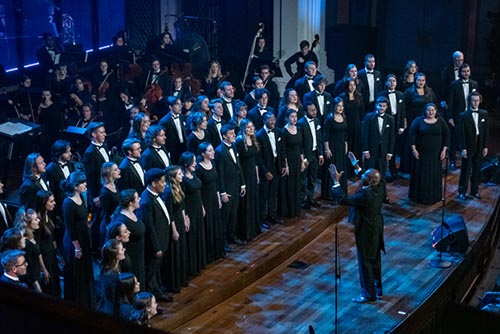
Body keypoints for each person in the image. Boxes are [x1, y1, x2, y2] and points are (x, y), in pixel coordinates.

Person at [330, 164, 385, 304]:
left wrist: (336, 181)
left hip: (367, 231)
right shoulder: (380, 188)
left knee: (365, 261)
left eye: (364, 176)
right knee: (375, 259)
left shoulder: (365, 195)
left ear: (370, 181)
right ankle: (377, 289)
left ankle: (368, 294)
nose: (361, 176)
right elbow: (372, 178)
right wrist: (356, 166)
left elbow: (343, 199)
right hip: (376, 227)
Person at [61, 171, 96, 310]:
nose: (85, 184)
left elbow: (84, 216)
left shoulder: (81, 197)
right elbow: (69, 227)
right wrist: (77, 248)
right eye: (82, 182)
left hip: (83, 238)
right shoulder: (68, 203)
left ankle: (87, 302)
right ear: (75, 186)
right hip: (74, 242)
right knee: (77, 273)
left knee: (85, 271)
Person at [137, 168, 173, 303]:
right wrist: (156, 247)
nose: (165, 184)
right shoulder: (147, 201)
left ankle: (158, 292)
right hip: (155, 243)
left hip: (162, 238)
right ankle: (152, 299)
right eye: (162, 182)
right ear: (154, 183)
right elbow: (150, 227)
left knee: (156, 270)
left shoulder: (155, 195)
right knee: (151, 272)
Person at [408, 103, 450, 204]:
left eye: (433, 110)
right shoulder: (418, 121)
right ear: (425, 111)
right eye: (428, 110)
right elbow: (411, 135)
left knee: (434, 174)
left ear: (436, 111)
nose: (430, 112)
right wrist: (414, 150)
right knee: (421, 174)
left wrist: (444, 150)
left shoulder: (441, 121)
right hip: (421, 153)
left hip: (436, 154)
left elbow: (447, 135)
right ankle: (419, 197)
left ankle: (433, 196)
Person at [215, 125, 247, 252]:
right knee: (225, 217)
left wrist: (242, 184)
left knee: (233, 215)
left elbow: (238, 166)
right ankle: (222, 243)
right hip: (227, 190)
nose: (234, 135)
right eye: (231, 133)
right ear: (224, 136)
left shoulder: (233, 146)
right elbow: (220, 174)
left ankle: (231, 237)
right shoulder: (219, 151)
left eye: (234, 133)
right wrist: (223, 192)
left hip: (235, 186)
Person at [82, 122, 110, 259]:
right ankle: (95, 251)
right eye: (102, 132)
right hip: (98, 194)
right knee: (97, 222)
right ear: (93, 134)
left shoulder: (104, 146)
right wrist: (95, 197)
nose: (105, 134)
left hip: (106, 190)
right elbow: (90, 177)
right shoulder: (89, 153)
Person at [401, 72, 437, 173]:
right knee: (412, 144)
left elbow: (435, 105)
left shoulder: (429, 91)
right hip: (412, 122)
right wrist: (404, 120)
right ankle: (410, 168)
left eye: (423, 80)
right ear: (415, 81)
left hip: (427, 122)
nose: (421, 82)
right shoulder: (409, 92)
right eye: (418, 80)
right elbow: (403, 108)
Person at [361, 96, 395, 204]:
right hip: (371, 151)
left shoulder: (390, 119)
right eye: (380, 105)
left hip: (383, 152)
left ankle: (383, 196)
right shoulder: (369, 117)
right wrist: (365, 150)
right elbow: (364, 134)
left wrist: (390, 152)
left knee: (382, 174)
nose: (381, 107)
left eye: (384, 106)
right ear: (376, 105)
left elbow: (391, 137)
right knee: (368, 174)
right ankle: (366, 196)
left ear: (387, 107)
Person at [110, 189, 146, 289]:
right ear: (130, 203)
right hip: (130, 259)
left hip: (138, 256)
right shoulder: (122, 220)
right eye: (137, 198)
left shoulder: (133, 213)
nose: (140, 199)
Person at [457, 92, 489, 200]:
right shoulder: (463, 115)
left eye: (477, 100)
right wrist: (463, 148)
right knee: (466, 170)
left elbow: (486, 131)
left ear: (480, 101)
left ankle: (474, 191)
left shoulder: (484, 113)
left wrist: (485, 146)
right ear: (469, 101)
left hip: (479, 146)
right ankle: (462, 192)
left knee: (477, 170)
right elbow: (460, 134)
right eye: (473, 100)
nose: (475, 103)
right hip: (468, 146)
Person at [446, 63, 479, 171]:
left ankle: (468, 163)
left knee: (469, 139)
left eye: (468, 71)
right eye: (464, 71)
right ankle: (452, 161)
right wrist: (450, 117)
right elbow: (450, 103)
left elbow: (477, 100)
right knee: (455, 140)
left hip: (470, 115)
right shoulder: (454, 84)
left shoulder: (474, 84)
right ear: (460, 72)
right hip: (458, 116)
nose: (466, 73)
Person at [162, 165, 189, 293]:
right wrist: (174, 230)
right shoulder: (168, 192)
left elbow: (181, 206)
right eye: (179, 174)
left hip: (180, 220)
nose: (182, 175)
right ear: (173, 177)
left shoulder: (179, 187)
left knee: (181, 250)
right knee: (175, 253)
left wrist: (185, 219)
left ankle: (182, 278)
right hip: (173, 224)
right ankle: (173, 283)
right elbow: (170, 213)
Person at [195, 142, 224, 262]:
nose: (213, 152)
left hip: (213, 198)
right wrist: (201, 206)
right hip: (205, 199)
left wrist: (218, 198)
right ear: (203, 154)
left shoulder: (212, 163)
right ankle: (209, 255)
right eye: (210, 151)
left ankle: (217, 251)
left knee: (216, 224)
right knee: (208, 226)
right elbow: (198, 189)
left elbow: (216, 183)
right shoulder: (198, 168)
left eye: (213, 150)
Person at [179, 152, 205, 277]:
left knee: (199, 235)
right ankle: (192, 267)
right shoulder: (182, 179)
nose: (195, 163)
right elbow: (182, 200)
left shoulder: (193, 174)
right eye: (193, 161)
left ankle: (199, 264)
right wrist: (185, 217)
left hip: (198, 208)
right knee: (192, 238)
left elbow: (198, 192)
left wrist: (202, 206)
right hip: (189, 211)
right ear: (186, 163)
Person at [256, 112, 284, 226]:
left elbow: (281, 150)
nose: (273, 121)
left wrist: (283, 165)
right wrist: (266, 171)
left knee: (273, 193)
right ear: (264, 121)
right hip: (266, 169)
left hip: (276, 166)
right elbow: (259, 157)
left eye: (274, 119)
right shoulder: (259, 135)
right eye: (270, 119)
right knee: (264, 195)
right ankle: (263, 219)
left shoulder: (278, 131)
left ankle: (272, 215)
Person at [235, 119, 261, 240]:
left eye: (252, 127)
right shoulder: (240, 141)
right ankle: (245, 232)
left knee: (253, 201)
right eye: (248, 127)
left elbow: (255, 161)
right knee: (246, 203)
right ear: (243, 128)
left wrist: (257, 176)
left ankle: (254, 228)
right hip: (244, 175)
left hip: (252, 174)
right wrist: (241, 182)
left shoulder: (253, 139)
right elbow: (238, 162)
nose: (251, 129)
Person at [377, 75, 406, 180]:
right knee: (385, 147)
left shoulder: (400, 95)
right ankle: (383, 171)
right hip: (385, 123)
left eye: (394, 81)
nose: (392, 83)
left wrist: (402, 125)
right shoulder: (381, 94)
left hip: (396, 123)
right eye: (390, 81)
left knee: (394, 147)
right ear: (386, 83)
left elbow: (402, 112)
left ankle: (393, 170)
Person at [45, 139, 75, 241]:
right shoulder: (50, 169)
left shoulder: (71, 164)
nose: (70, 154)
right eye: (67, 152)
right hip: (61, 207)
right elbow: (52, 191)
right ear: (59, 153)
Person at [297, 102, 324, 209]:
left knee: (313, 177)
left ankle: (310, 199)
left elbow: (319, 138)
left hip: (315, 153)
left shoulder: (317, 121)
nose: (314, 112)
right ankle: (302, 201)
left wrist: (321, 154)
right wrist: (303, 158)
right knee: (303, 179)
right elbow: (300, 143)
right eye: (311, 110)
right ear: (305, 111)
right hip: (306, 155)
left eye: (315, 109)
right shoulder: (301, 123)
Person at [35, 190, 61, 297]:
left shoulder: (48, 214)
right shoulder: (37, 221)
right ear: (43, 203)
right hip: (44, 257)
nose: (54, 203)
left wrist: (59, 255)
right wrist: (43, 268)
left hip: (51, 254)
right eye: (51, 201)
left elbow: (52, 237)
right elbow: (37, 247)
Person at [13, 207, 46, 293]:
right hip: (32, 280)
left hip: (37, 273)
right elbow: (29, 268)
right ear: (28, 224)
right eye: (35, 219)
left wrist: (43, 269)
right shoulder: (25, 243)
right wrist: (37, 286)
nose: (38, 220)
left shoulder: (32, 235)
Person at [282, 109, 306, 218]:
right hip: (289, 161)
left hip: (297, 160)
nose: (294, 119)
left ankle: (297, 209)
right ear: (287, 118)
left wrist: (302, 161)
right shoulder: (284, 131)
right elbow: (283, 151)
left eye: (295, 116)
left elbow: (301, 147)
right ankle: (290, 211)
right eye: (292, 116)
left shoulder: (299, 129)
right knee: (290, 185)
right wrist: (286, 165)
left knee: (297, 184)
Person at [323, 97, 348, 195]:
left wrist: (346, 143)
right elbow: (325, 134)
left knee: (341, 167)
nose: (340, 108)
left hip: (341, 146)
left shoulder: (344, 117)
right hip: (332, 146)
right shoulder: (329, 118)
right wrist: (327, 149)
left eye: (342, 106)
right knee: (333, 168)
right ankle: (330, 193)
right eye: (338, 106)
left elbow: (345, 132)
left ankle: (341, 191)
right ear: (334, 106)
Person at [338, 77, 364, 168]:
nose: (352, 87)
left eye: (354, 85)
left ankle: (357, 168)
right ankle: (347, 168)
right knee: (347, 147)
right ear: (346, 86)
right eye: (350, 85)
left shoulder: (359, 96)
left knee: (357, 146)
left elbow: (362, 111)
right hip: (346, 125)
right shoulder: (342, 97)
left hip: (357, 125)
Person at [98, 238, 127, 316]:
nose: (124, 250)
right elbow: (116, 301)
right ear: (115, 254)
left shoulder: (107, 268)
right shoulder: (113, 277)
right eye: (121, 249)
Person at [158, 96, 187, 164]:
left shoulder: (182, 117)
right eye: (177, 104)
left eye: (181, 104)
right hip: (173, 151)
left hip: (183, 148)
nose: (180, 106)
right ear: (170, 107)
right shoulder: (164, 121)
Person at [98, 162, 121, 249]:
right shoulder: (105, 192)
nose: (119, 171)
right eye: (115, 170)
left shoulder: (114, 185)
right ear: (109, 173)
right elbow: (106, 213)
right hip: (109, 224)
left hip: (115, 221)